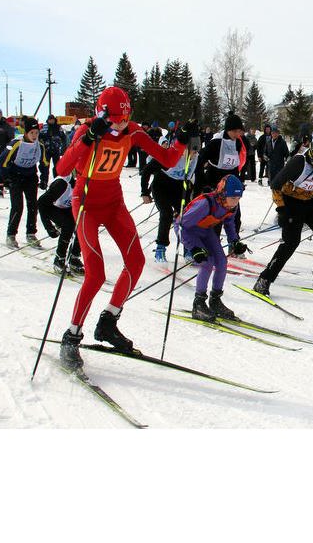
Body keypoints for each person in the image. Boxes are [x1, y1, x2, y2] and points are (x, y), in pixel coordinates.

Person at [54, 86, 189, 370]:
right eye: (116, 119)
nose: (122, 124)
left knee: (136, 261)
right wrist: (88, 139)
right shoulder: (87, 130)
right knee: (95, 274)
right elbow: (62, 169)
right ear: (102, 114)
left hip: (113, 201)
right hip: (86, 203)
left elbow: (166, 159)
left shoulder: (133, 131)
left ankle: (108, 321)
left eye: (126, 118)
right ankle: (71, 335)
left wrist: (182, 141)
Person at [253, 133, 313, 296]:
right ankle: (264, 280)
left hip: (311, 201)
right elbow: (276, 184)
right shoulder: (299, 161)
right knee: (291, 243)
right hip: (291, 202)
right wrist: (281, 209)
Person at [178, 174, 247, 321]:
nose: (236, 202)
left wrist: (235, 241)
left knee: (222, 262)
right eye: (233, 198)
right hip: (190, 232)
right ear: (223, 193)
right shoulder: (205, 204)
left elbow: (229, 224)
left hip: (206, 231)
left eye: (238, 198)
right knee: (207, 263)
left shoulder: (230, 206)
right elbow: (180, 225)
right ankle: (199, 304)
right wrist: (193, 248)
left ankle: (215, 301)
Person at [142, 132, 198, 262]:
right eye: (192, 151)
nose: (194, 154)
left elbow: (199, 176)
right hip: (161, 187)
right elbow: (146, 171)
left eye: (196, 152)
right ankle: (160, 249)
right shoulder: (171, 155)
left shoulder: (195, 158)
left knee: (187, 216)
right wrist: (145, 192)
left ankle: (189, 249)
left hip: (179, 189)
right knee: (166, 214)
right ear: (184, 149)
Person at [0, 116, 50, 248]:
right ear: (26, 133)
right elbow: (2, 161)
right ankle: (11, 235)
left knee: (33, 206)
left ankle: (31, 233)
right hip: (15, 177)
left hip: (30, 177)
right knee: (17, 206)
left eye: (36, 133)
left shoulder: (40, 146)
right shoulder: (16, 144)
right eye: (32, 133)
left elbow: (44, 163)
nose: (34, 135)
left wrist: (44, 178)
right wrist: (5, 179)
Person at [38, 173, 84, 275]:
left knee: (82, 224)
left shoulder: (86, 182)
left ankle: (74, 257)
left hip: (69, 207)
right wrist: (49, 227)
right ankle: (59, 259)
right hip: (52, 207)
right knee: (68, 225)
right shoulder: (62, 183)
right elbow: (41, 203)